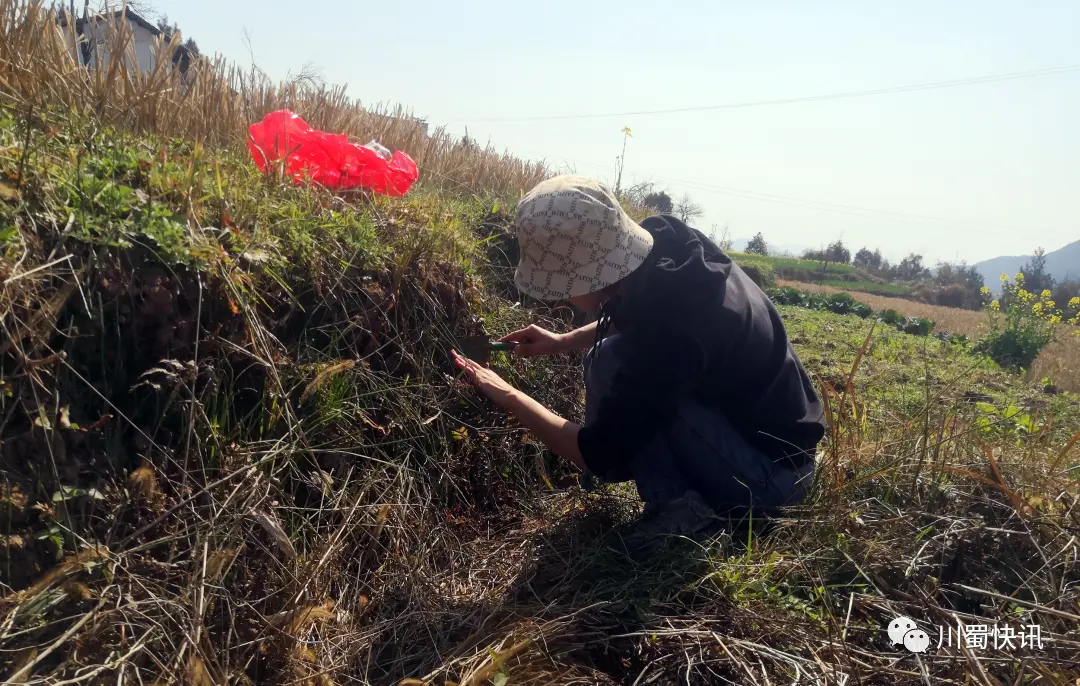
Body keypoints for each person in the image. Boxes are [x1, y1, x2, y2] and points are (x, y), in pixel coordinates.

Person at [450, 175, 825, 538]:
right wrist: (560, 341)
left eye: (561, 285)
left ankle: (687, 515)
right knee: (608, 356)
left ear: (588, 278)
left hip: (771, 481)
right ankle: (678, 495)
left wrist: (508, 395)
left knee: (628, 385)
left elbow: (602, 457)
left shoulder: (675, 336)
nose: (560, 297)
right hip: (755, 438)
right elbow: (641, 321)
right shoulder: (668, 247)